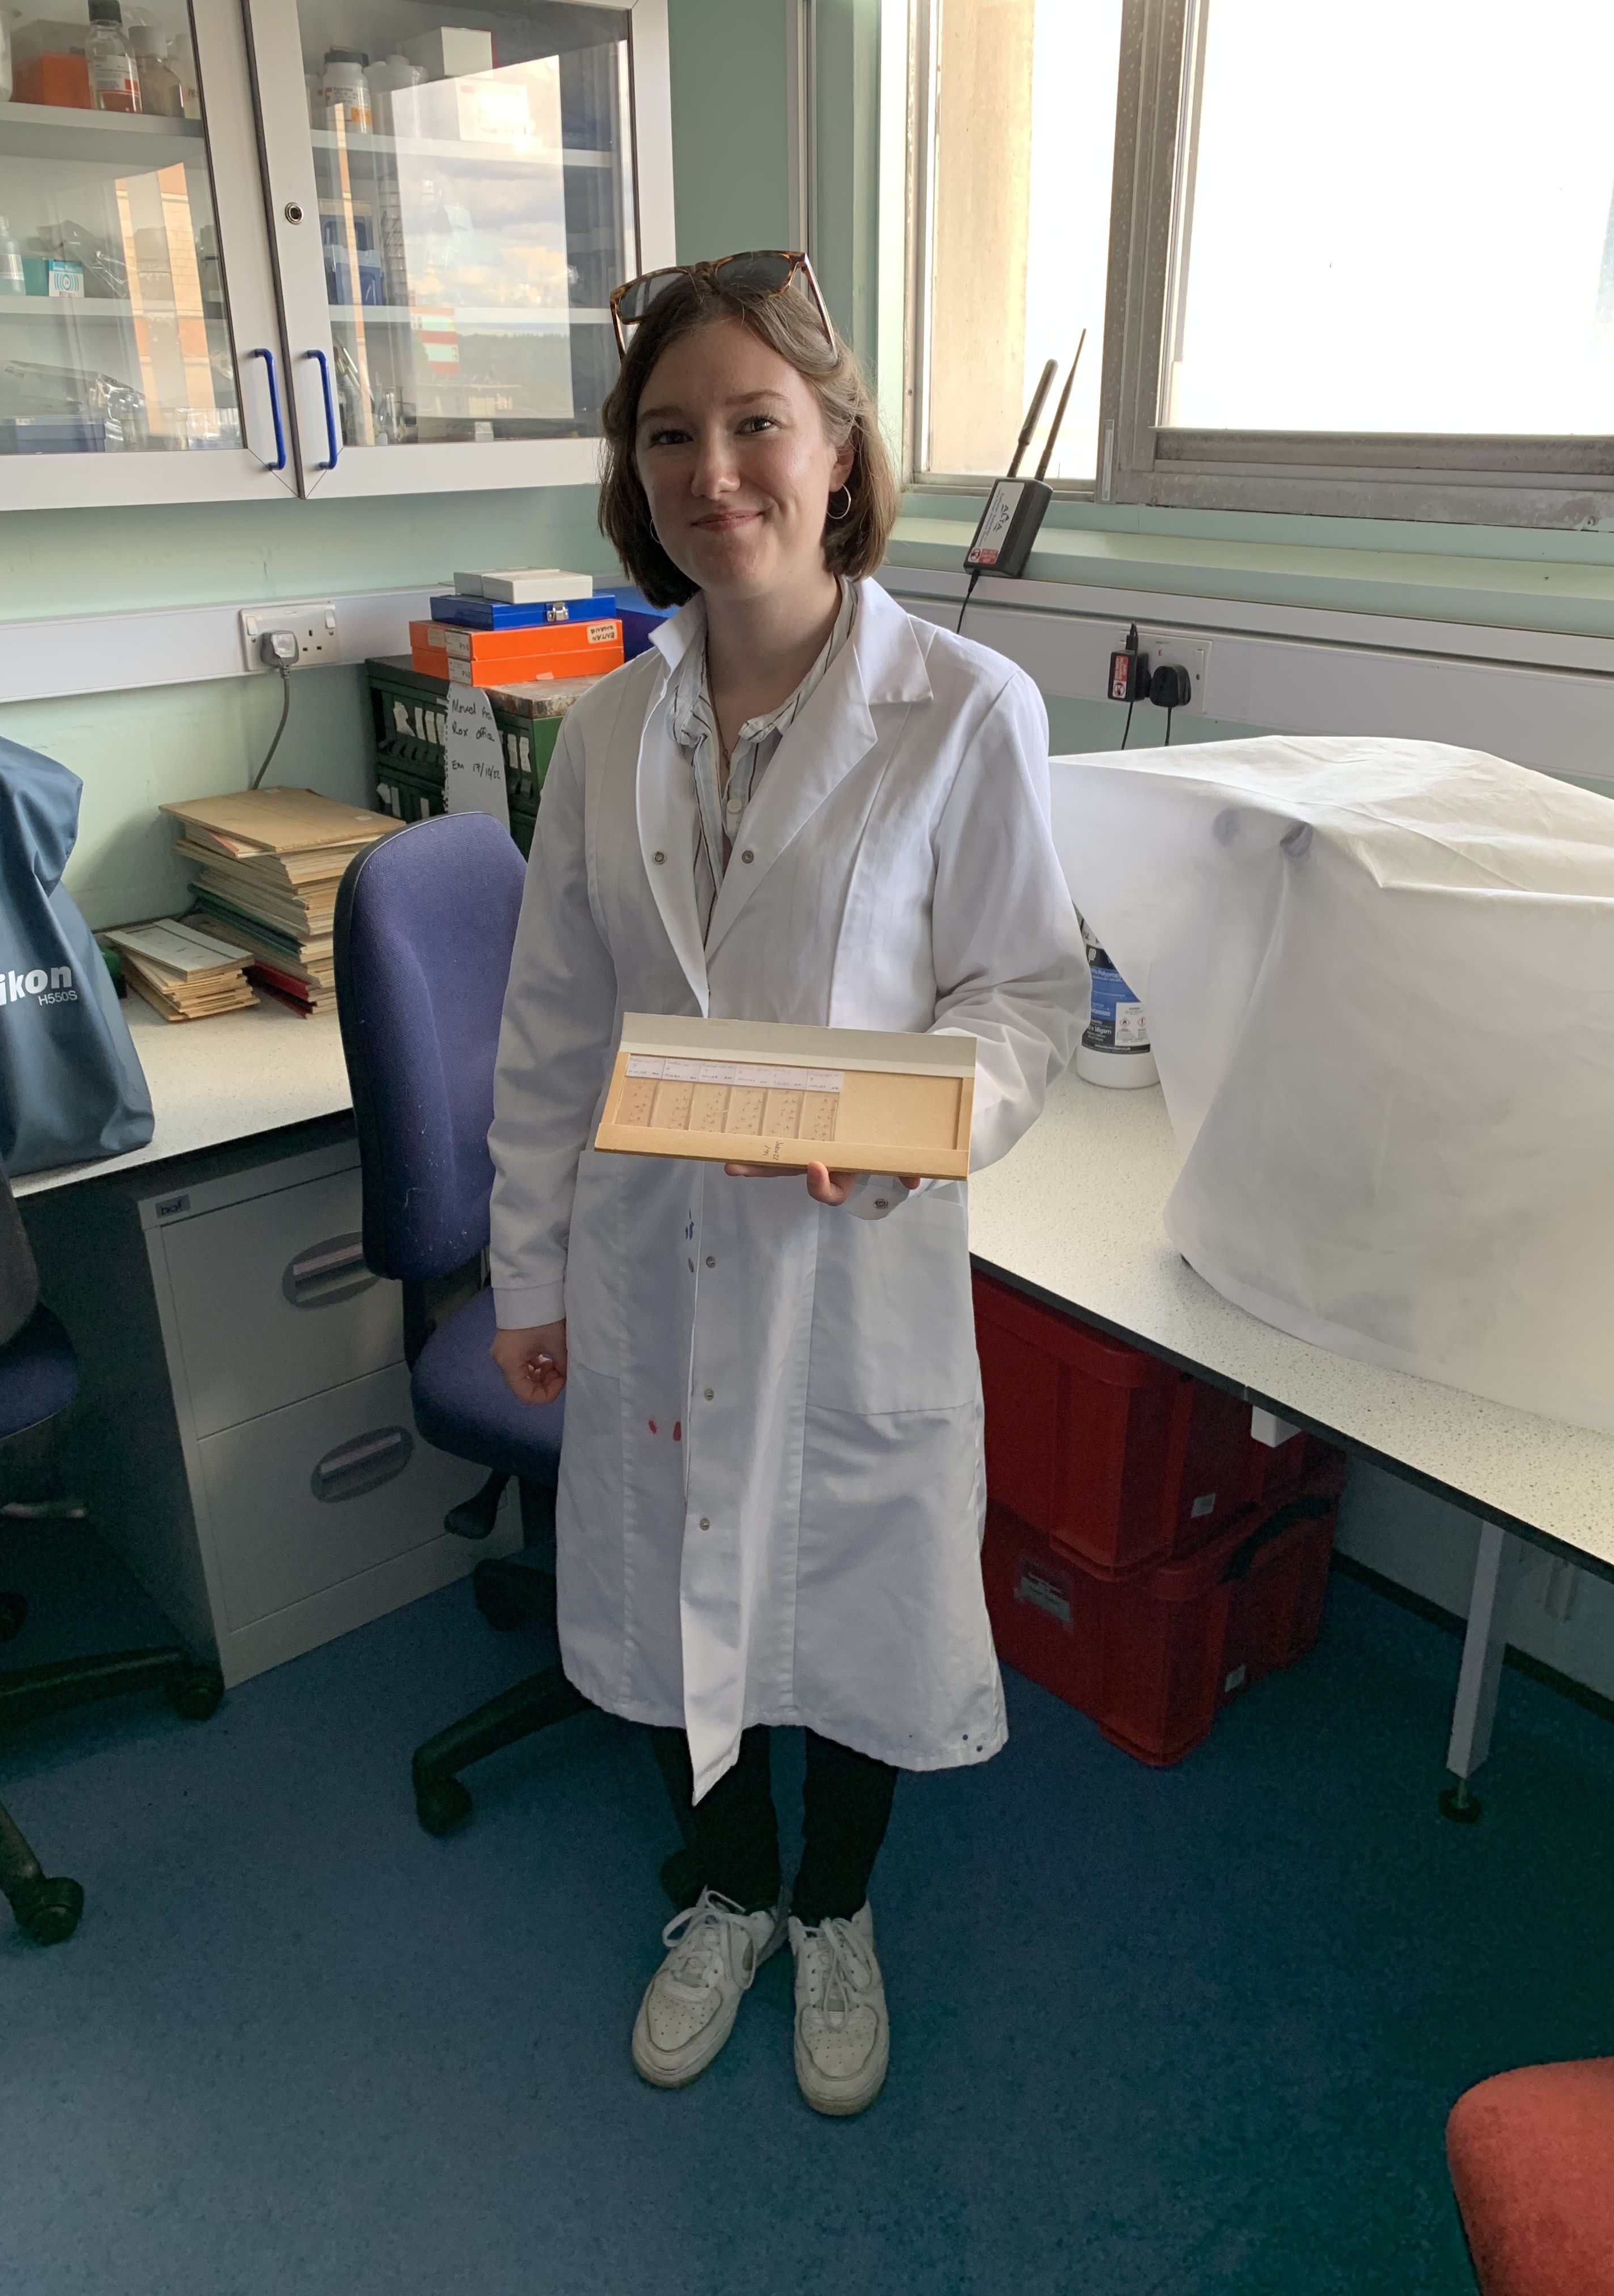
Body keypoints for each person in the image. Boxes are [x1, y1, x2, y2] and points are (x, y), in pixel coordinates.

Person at [486, 251, 1084, 2116]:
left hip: (851, 1253)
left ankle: (837, 1910)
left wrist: (916, 1122)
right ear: (633, 473)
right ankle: (731, 1890)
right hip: (653, 1259)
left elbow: (1025, 1000)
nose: (713, 471)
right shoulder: (601, 728)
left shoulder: (969, 710)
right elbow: (551, 1031)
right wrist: (529, 1277)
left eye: (758, 423)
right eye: (671, 434)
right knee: (686, 1597)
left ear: (839, 452)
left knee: (859, 1604)